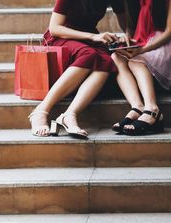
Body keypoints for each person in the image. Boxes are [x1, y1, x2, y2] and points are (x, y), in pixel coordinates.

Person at [28, 0, 129, 138]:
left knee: (106, 60)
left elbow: (126, 25)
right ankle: (41, 110)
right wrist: (93, 36)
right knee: (90, 54)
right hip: (62, 36)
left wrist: (126, 36)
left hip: (89, 38)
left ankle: (69, 115)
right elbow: (55, 28)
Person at [111, 0, 171, 135]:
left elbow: (169, 32)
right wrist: (127, 40)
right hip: (142, 40)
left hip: (164, 42)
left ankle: (152, 109)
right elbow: (131, 28)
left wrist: (142, 50)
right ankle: (137, 107)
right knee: (116, 57)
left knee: (135, 61)